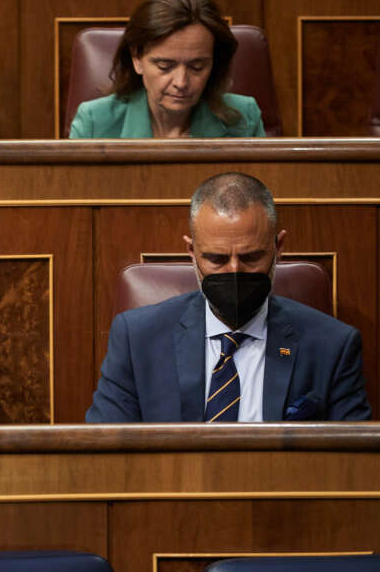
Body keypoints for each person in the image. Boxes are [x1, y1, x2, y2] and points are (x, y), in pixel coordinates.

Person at [86, 172, 371, 422]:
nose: (234, 271)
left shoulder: (332, 345)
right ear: (191, 252)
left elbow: (350, 464)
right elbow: (107, 455)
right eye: (216, 259)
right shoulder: (138, 339)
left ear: (278, 247)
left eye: (251, 257)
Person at [69, 0, 266, 139]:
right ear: (137, 58)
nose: (181, 83)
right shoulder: (94, 123)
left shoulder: (243, 118)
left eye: (197, 67)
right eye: (165, 66)